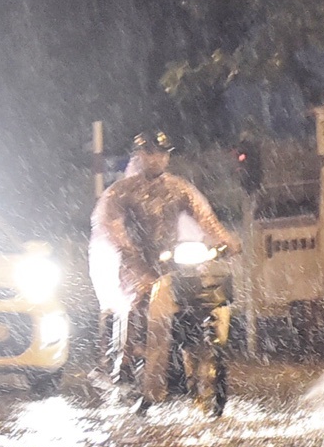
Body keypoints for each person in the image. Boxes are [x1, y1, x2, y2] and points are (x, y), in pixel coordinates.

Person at [90, 131, 236, 402]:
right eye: (150, 153)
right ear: (138, 155)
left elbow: (206, 218)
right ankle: (122, 368)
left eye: (162, 153)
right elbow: (109, 225)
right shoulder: (121, 191)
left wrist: (225, 240)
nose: (157, 159)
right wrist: (128, 250)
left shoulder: (179, 189)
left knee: (206, 294)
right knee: (136, 304)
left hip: (171, 264)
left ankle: (203, 357)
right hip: (134, 265)